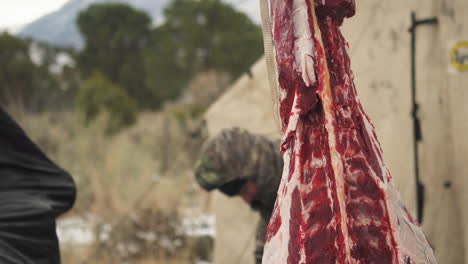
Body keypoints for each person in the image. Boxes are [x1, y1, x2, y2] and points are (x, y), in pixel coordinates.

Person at [194, 127, 283, 264]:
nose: (247, 199)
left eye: (245, 190)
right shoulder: (270, 208)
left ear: (257, 172)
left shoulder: (307, 179)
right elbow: (263, 252)